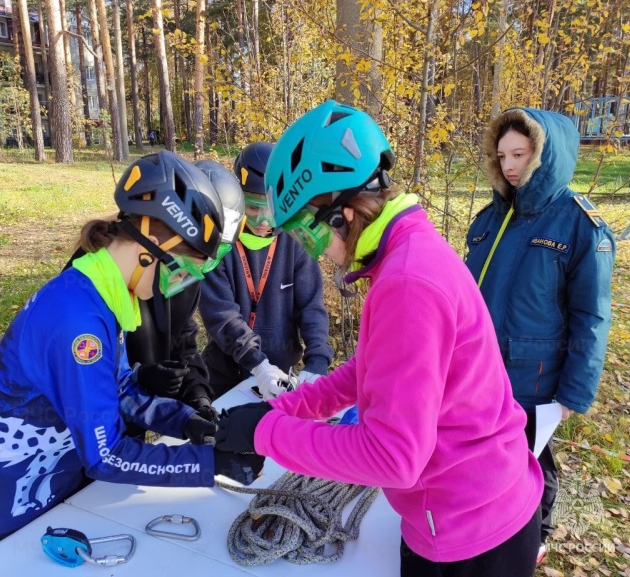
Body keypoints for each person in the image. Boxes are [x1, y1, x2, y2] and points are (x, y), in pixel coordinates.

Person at [214, 100, 544, 577]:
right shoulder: (408, 251)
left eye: (307, 236)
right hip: (472, 500)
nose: (318, 255)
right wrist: (288, 407)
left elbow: (392, 457)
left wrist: (266, 434)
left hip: (467, 532)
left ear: (342, 213)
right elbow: (370, 366)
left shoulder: (407, 284)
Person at [0, 151, 264, 570]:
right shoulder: (79, 322)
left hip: (48, 491)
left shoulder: (103, 294)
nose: (180, 283)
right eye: (182, 269)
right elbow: (106, 455)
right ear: (151, 249)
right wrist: (207, 464)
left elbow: (122, 389)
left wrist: (185, 422)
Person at [464, 108, 615, 562]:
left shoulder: (580, 226)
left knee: (533, 462)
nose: (510, 165)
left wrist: (573, 393)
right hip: (480, 372)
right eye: (503, 155)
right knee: (485, 456)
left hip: (537, 381)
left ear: (545, 155)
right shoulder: (490, 218)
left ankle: (537, 535)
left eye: (521, 153)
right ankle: (487, 526)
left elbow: (593, 316)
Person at [199, 142, 334, 400]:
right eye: (252, 207)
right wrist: (258, 364)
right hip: (225, 374)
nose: (262, 221)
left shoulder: (295, 243)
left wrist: (317, 360)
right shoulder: (220, 244)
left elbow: (311, 307)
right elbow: (221, 315)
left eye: (270, 209)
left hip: (282, 374)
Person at [120, 159, 246, 424]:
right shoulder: (113, 275)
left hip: (136, 419)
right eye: (198, 253)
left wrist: (197, 395)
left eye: (217, 254)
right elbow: (81, 375)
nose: (201, 265)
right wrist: (138, 375)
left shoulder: (185, 276)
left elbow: (184, 341)